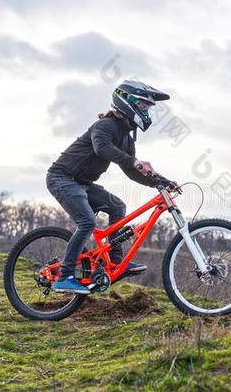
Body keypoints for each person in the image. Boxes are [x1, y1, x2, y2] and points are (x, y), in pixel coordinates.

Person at [46, 80, 178, 294]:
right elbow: (101, 148)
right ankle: (64, 276)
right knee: (87, 222)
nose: (146, 111)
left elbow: (132, 170)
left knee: (117, 207)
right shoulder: (105, 125)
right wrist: (134, 161)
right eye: (144, 106)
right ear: (128, 102)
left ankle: (116, 263)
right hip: (62, 178)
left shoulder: (126, 139)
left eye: (148, 108)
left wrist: (162, 181)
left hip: (83, 184)